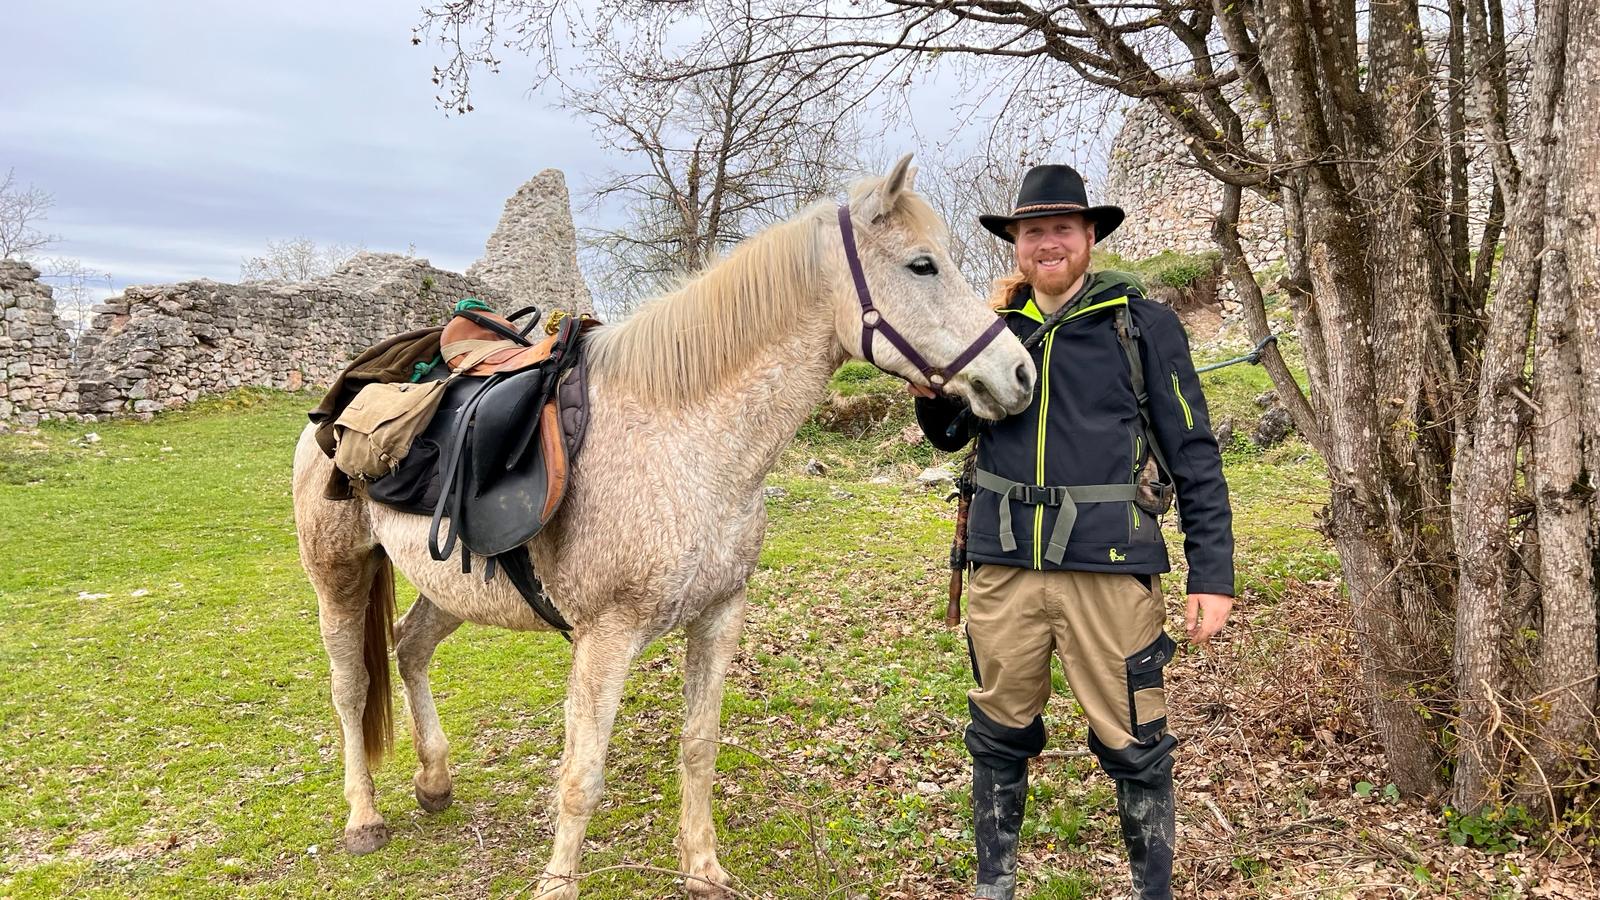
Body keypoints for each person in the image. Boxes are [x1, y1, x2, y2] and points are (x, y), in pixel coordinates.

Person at [913, 164, 1235, 900]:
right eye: (1033, 231)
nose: (1048, 243)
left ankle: (1151, 889)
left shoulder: (1141, 324)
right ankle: (995, 886)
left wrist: (1211, 574)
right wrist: (930, 398)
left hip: (1110, 566)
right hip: (1003, 568)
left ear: (1089, 236)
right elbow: (951, 432)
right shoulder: (990, 331)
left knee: (1135, 741)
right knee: (997, 733)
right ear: (1016, 245)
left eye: (1062, 228)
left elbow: (1193, 452)